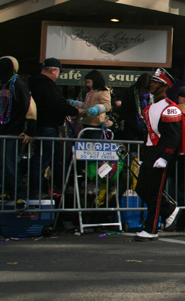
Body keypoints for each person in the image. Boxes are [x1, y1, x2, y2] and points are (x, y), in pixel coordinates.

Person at [134, 69, 185, 241]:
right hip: (152, 151)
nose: (151, 84)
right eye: (151, 81)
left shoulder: (170, 108)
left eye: (156, 82)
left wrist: (165, 157)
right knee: (142, 188)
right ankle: (169, 210)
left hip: (161, 152)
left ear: (165, 86)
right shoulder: (151, 107)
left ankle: (151, 229)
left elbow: (173, 136)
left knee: (154, 193)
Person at [28, 58, 82, 198]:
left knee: (47, 158)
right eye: (58, 72)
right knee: (44, 159)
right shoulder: (47, 86)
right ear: (53, 71)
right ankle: (37, 191)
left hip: (42, 126)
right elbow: (57, 105)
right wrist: (75, 111)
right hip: (48, 127)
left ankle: (45, 189)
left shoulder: (35, 84)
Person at [0, 56, 36, 204]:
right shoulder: (6, 85)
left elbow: (30, 109)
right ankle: (8, 191)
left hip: (13, 132)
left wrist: (30, 131)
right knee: (4, 163)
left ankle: (19, 193)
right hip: (5, 131)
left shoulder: (18, 85)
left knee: (9, 163)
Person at [79, 70, 113, 137]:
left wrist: (97, 109)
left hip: (96, 124)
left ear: (95, 81)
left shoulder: (103, 91)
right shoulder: (90, 92)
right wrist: (76, 104)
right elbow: (87, 106)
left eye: (89, 82)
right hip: (86, 123)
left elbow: (107, 105)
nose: (87, 84)